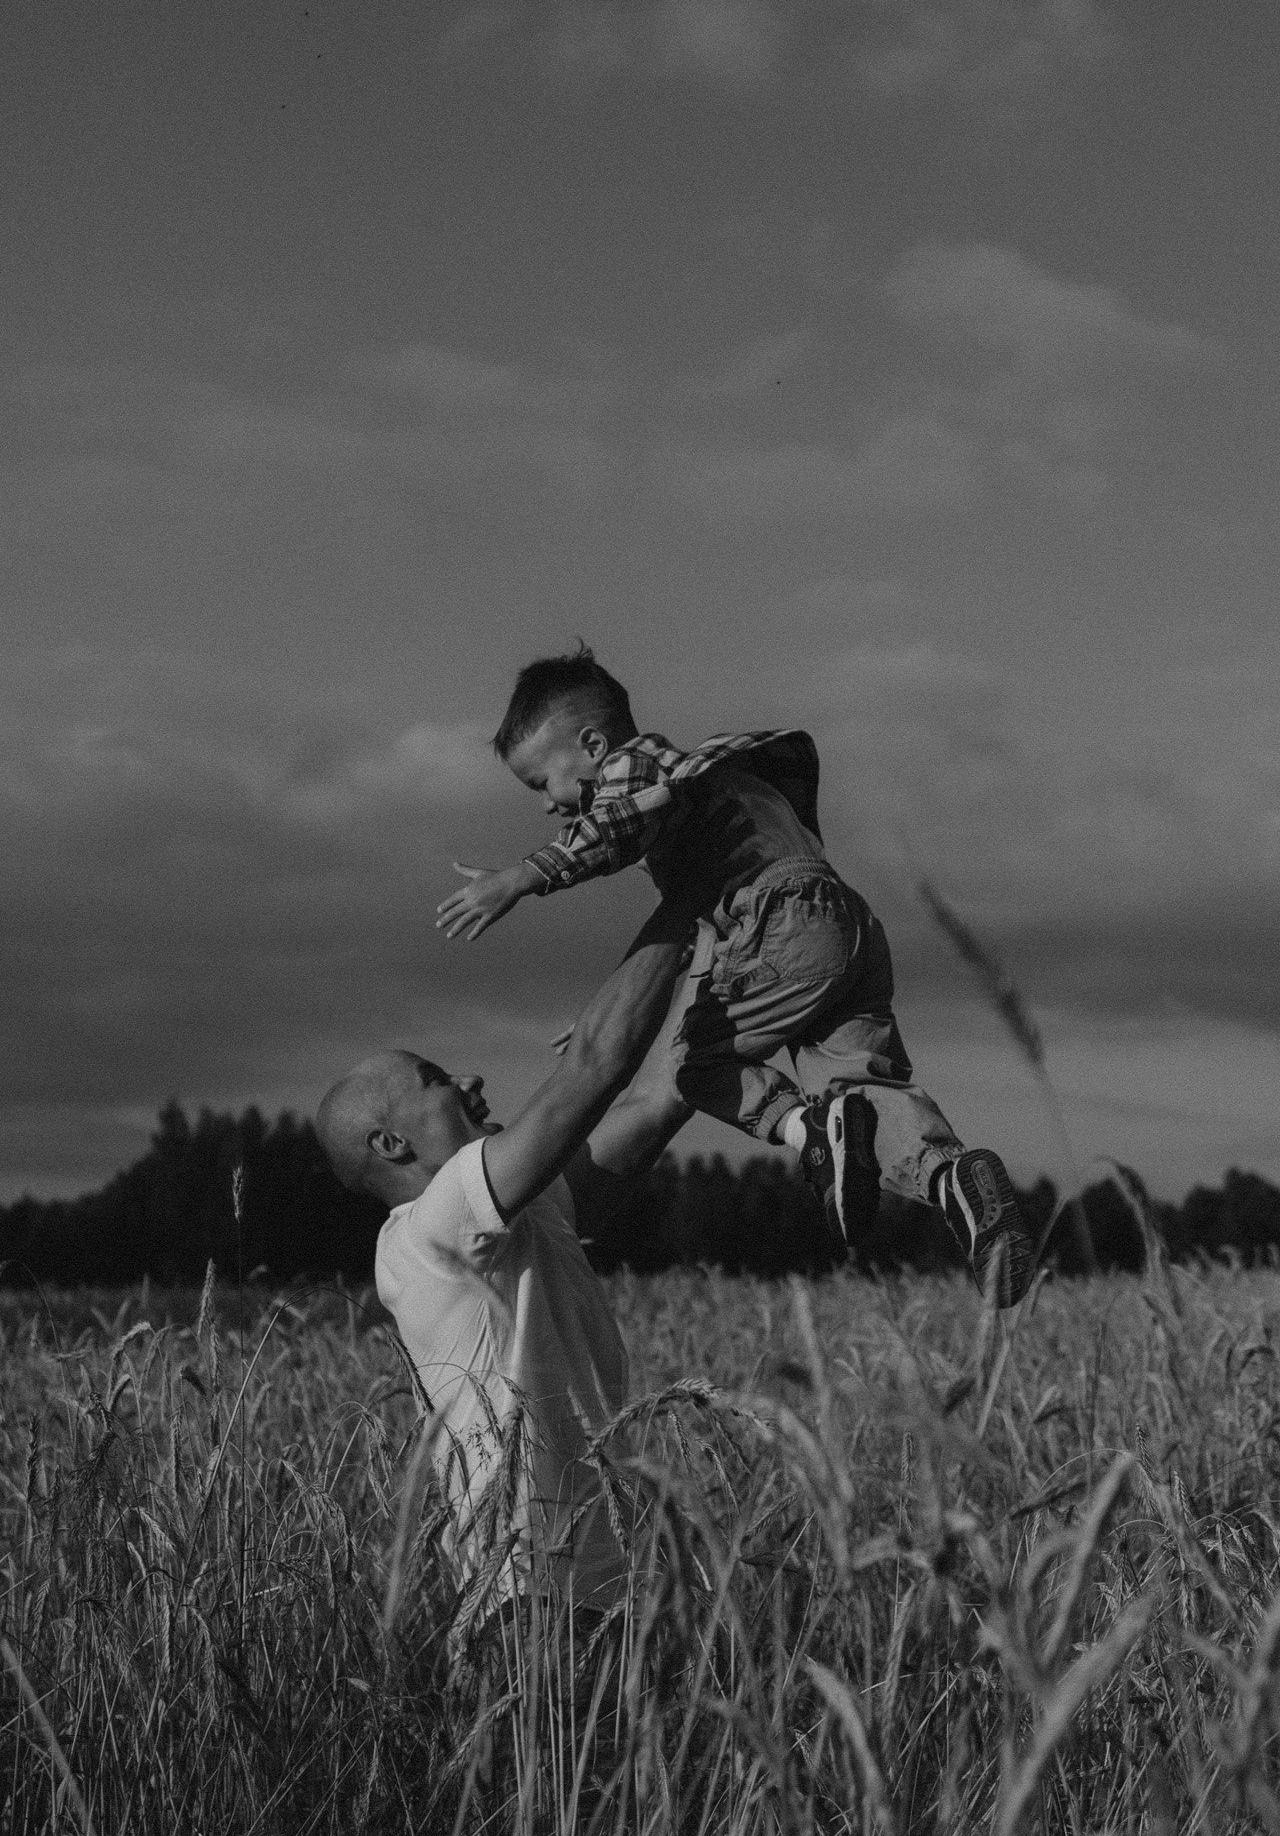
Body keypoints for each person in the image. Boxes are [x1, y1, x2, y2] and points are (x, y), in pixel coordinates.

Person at [436, 647, 1035, 1307]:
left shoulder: (637, 769)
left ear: (592, 743)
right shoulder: (699, 802)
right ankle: (951, 1180)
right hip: (844, 929)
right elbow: (697, 936)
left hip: (782, 919)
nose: (549, 806)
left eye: (541, 783)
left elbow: (613, 826)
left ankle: (811, 1129)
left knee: (692, 1063)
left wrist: (524, 877)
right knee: (862, 1086)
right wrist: (608, 1017)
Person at [316, 940, 689, 1608]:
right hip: (531, 1604)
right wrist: (680, 910)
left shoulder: (523, 1212)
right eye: (435, 1080)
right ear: (392, 1145)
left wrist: (710, 953)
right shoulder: (430, 1229)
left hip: (609, 1594)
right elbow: (593, 1070)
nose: (469, 1080)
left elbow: (658, 1099)